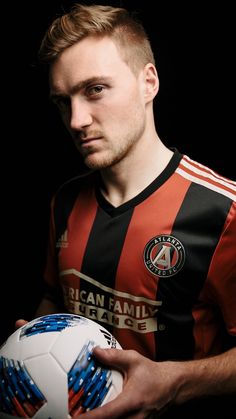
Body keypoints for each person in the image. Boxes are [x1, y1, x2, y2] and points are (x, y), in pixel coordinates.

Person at [16, 3, 236, 418]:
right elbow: (54, 294)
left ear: (148, 81)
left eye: (95, 89)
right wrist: (33, 342)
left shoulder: (224, 211)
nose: (77, 120)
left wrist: (175, 383)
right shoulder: (64, 202)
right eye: (63, 102)